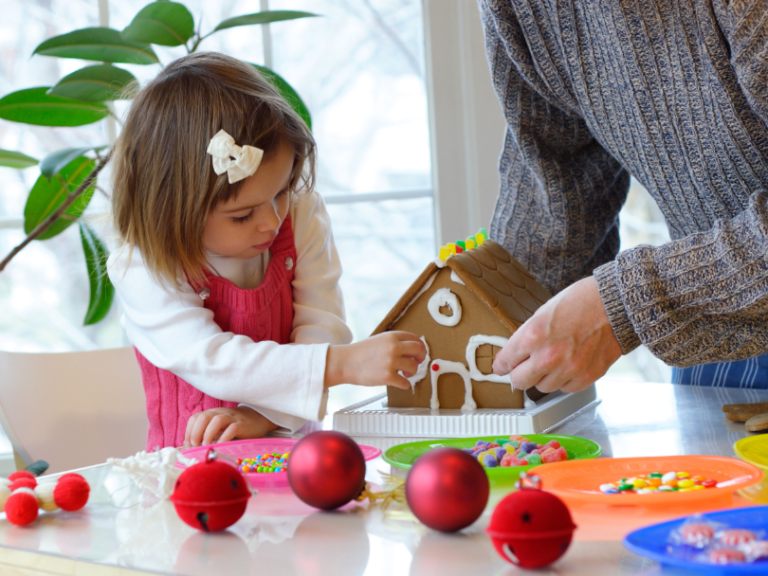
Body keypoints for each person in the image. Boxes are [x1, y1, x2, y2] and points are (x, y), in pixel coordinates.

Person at [108, 52, 426, 450]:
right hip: (188, 474)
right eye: (242, 215)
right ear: (172, 213)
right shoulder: (143, 266)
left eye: (280, 191)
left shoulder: (301, 212)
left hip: (294, 452)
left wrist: (263, 417)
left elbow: (321, 321)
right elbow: (213, 360)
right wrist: (342, 363)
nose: (272, 221)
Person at [478, 0, 768, 392]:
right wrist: (490, 348)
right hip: (720, 331)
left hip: (699, 301)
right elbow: (554, 197)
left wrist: (628, 301)